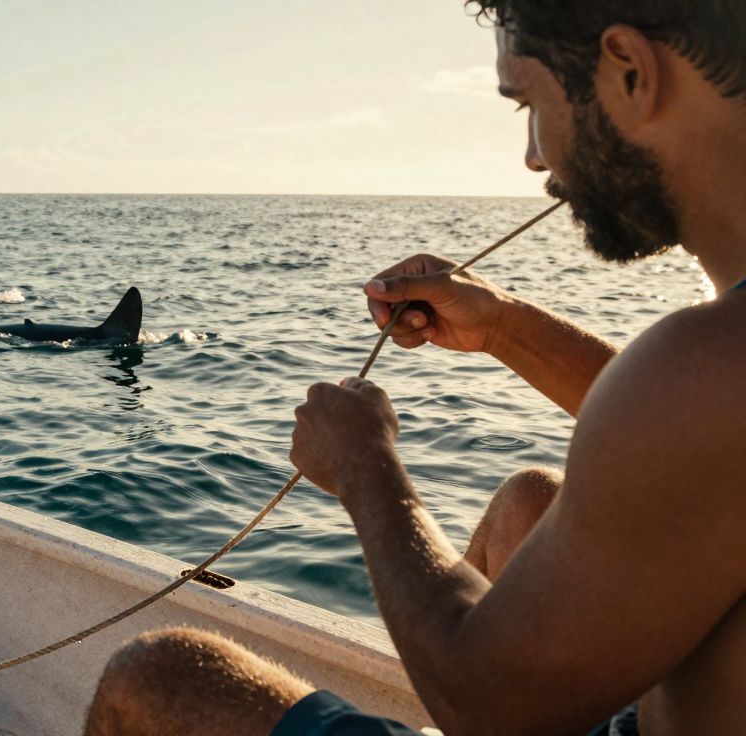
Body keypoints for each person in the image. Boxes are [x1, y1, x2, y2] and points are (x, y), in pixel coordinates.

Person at [82, 1, 746, 734]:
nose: (534, 157)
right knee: (531, 498)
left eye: (529, 103)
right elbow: (695, 438)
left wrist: (364, 466)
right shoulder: (712, 378)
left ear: (629, 70)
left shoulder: (710, 360)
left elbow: (487, 703)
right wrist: (503, 325)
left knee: (152, 677)